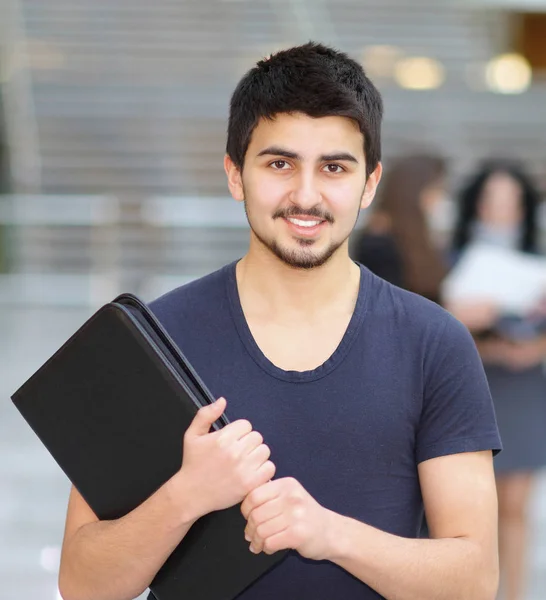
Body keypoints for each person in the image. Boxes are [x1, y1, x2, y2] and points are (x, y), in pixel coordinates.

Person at [58, 42, 502, 600]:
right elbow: (82, 585)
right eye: (279, 163)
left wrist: (328, 533)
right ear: (234, 174)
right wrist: (187, 495)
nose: (306, 195)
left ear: (369, 184)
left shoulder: (434, 343)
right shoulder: (154, 341)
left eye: (334, 167)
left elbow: (476, 580)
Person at [447, 161, 546, 600]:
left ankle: (516, 595)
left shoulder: (539, 259)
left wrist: (534, 350)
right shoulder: (449, 258)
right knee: (473, 512)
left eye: (511, 202)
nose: (501, 211)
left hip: (524, 391)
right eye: (492, 201)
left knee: (516, 509)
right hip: (472, 388)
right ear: (477, 205)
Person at [351, 154, 448, 303]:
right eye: (436, 190)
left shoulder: (415, 234)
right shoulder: (379, 241)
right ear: (413, 192)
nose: (439, 198)